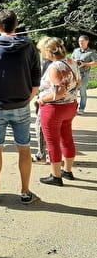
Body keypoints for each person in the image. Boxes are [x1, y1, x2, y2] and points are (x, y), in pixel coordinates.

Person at [0, 9, 41, 205]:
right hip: (21, 105)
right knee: (24, 148)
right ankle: (25, 192)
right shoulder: (30, 46)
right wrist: (26, 100)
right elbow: (36, 83)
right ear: (17, 25)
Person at [38, 37, 81, 186]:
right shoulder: (71, 62)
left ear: (49, 51)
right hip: (70, 105)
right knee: (67, 138)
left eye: (43, 50)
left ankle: (56, 176)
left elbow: (60, 91)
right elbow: (79, 82)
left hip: (54, 108)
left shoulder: (54, 67)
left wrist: (43, 99)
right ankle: (67, 171)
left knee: (53, 143)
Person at [33, 37, 52, 163]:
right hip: (61, 100)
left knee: (40, 125)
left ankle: (41, 154)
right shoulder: (64, 61)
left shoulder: (47, 63)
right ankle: (53, 154)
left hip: (47, 98)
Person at [71, 35, 97, 115]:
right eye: (79, 41)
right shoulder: (76, 51)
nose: (80, 43)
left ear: (87, 41)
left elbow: (95, 63)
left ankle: (81, 108)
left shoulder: (91, 52)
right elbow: (71, 60)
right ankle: (72, 108)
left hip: (84, 75)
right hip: (75, 74)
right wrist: (75, 61)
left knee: (82, 92)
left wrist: (84, 64)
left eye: (82, 41)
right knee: (72, 92)